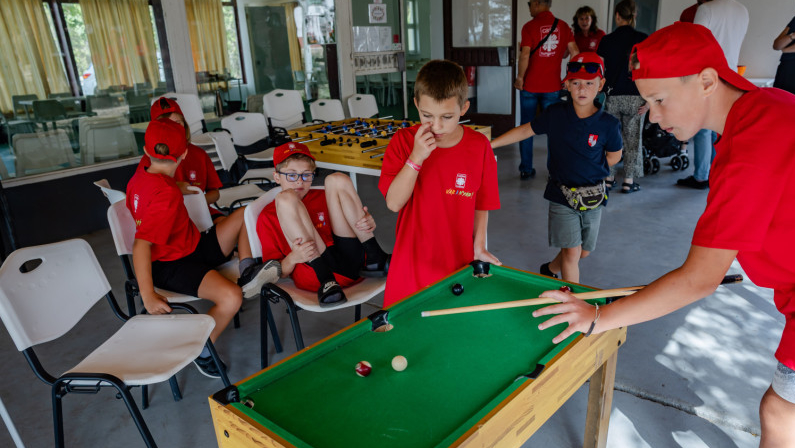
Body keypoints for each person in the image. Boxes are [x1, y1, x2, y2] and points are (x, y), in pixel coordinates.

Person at [533, 21, 795, 448]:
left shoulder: (750, 147)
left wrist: (598, 318)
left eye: (658, 100)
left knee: (785, 413)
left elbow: (699, 279)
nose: (652, 115)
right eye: (646, 102)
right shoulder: (769, 107)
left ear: (705, 80)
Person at [127, 118, 282, 377]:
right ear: (184, 154)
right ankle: (203, 350)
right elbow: (141, 244)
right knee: (231, 297)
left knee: (244, 213)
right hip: (170, 265)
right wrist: (148, 295)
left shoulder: (141, 174)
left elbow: (152, 190)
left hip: (192, 246)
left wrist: (175, 185)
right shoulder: (166, 195)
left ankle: (248, 272)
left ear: (145, 151)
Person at [491, 52, 622, 283]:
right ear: (567, 85)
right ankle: (571, 299)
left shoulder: (609, 125)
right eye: (576, 83)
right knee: (571, 253)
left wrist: (589, 167)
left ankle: (550, 268)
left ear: (600, 85)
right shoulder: (555, 114)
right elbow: (526, 130)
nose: (582, 89)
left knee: (583, 252)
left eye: (589, 83)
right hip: (561, 193)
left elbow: (614, 156)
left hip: (593, 196)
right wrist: (491, 144)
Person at [379, 59, 501, 307]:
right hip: (411, 265)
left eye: (447, 116)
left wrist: (478, 246)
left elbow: (482, 203)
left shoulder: (479, 146)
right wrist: (416, 157)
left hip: (458, 264)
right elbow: (393, 203)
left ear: (463, 108)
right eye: (427, 116)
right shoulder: (403, 141)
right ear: (416, 104)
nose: (436, 126)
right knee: (406, 328)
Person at [255, 142, 390, 307]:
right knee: (286, 198)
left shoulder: (324, 195)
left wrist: (366, 222)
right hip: (317, 276)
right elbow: (277, 272)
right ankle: (327, 281)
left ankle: (375, 255)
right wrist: (293, 258)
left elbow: (350, 224)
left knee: (337, 178)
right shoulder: (267, 217)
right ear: (277, 177)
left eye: (306, 175)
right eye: (291, 175)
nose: (299, 182)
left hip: (355, 262)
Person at [679, 0, 749, 190]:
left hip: (708, 76)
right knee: (721, 129)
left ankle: (701, 176)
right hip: (732, 77)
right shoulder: (742, 11)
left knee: (703, 128)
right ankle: (717, 174)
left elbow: (696, 45)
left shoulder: (707, 9)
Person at [514, 0, 579, 180]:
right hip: (552, 87)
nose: (529, 8)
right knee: (553, 129)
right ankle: (553, 171)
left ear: (536, 3)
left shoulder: (529, 27)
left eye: (529, 4)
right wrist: (569, 78)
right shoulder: (563, 26)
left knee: (526, 127)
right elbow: (575, 52)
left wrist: (520, 78)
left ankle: (526, 168)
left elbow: (525, 54)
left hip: (530, 86)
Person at [138, 97, 224, 219]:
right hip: (170, 218)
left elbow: (215, 193)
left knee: (238, 220)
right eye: (166, 125)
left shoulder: (199, 154)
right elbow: (144, 193)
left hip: (201, 213)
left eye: (177, 123)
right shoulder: (150, 159)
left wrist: (196, 203)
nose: (173, 130)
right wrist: (176, 187)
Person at [597, 0, 647, 194]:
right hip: (636, 96)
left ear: (617, 16)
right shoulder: (643, 39)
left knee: (611, 138)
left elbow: (600, 70)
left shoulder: (606, 40)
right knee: (633, 139)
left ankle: (608, 178)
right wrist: (649, 101)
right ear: (635, 16)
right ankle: (628, 181)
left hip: (612, 95)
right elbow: (648, 71)